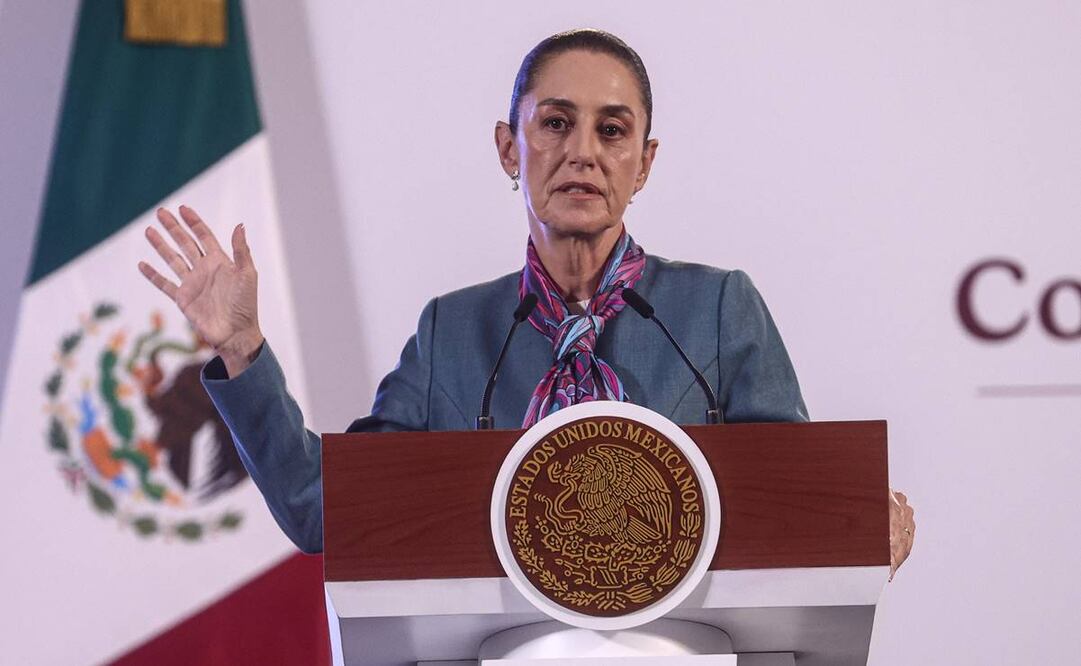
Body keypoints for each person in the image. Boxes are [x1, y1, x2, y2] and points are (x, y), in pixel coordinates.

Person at [138, 29, 915, 576]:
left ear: (641, 164)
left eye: (612, 131)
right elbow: (324, 511)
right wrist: (242, 348)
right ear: (511, 147)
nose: (582, 151)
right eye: (554, 123)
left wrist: (850, 528)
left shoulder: (713, 311)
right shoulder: (453, 331)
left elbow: (790, 518)